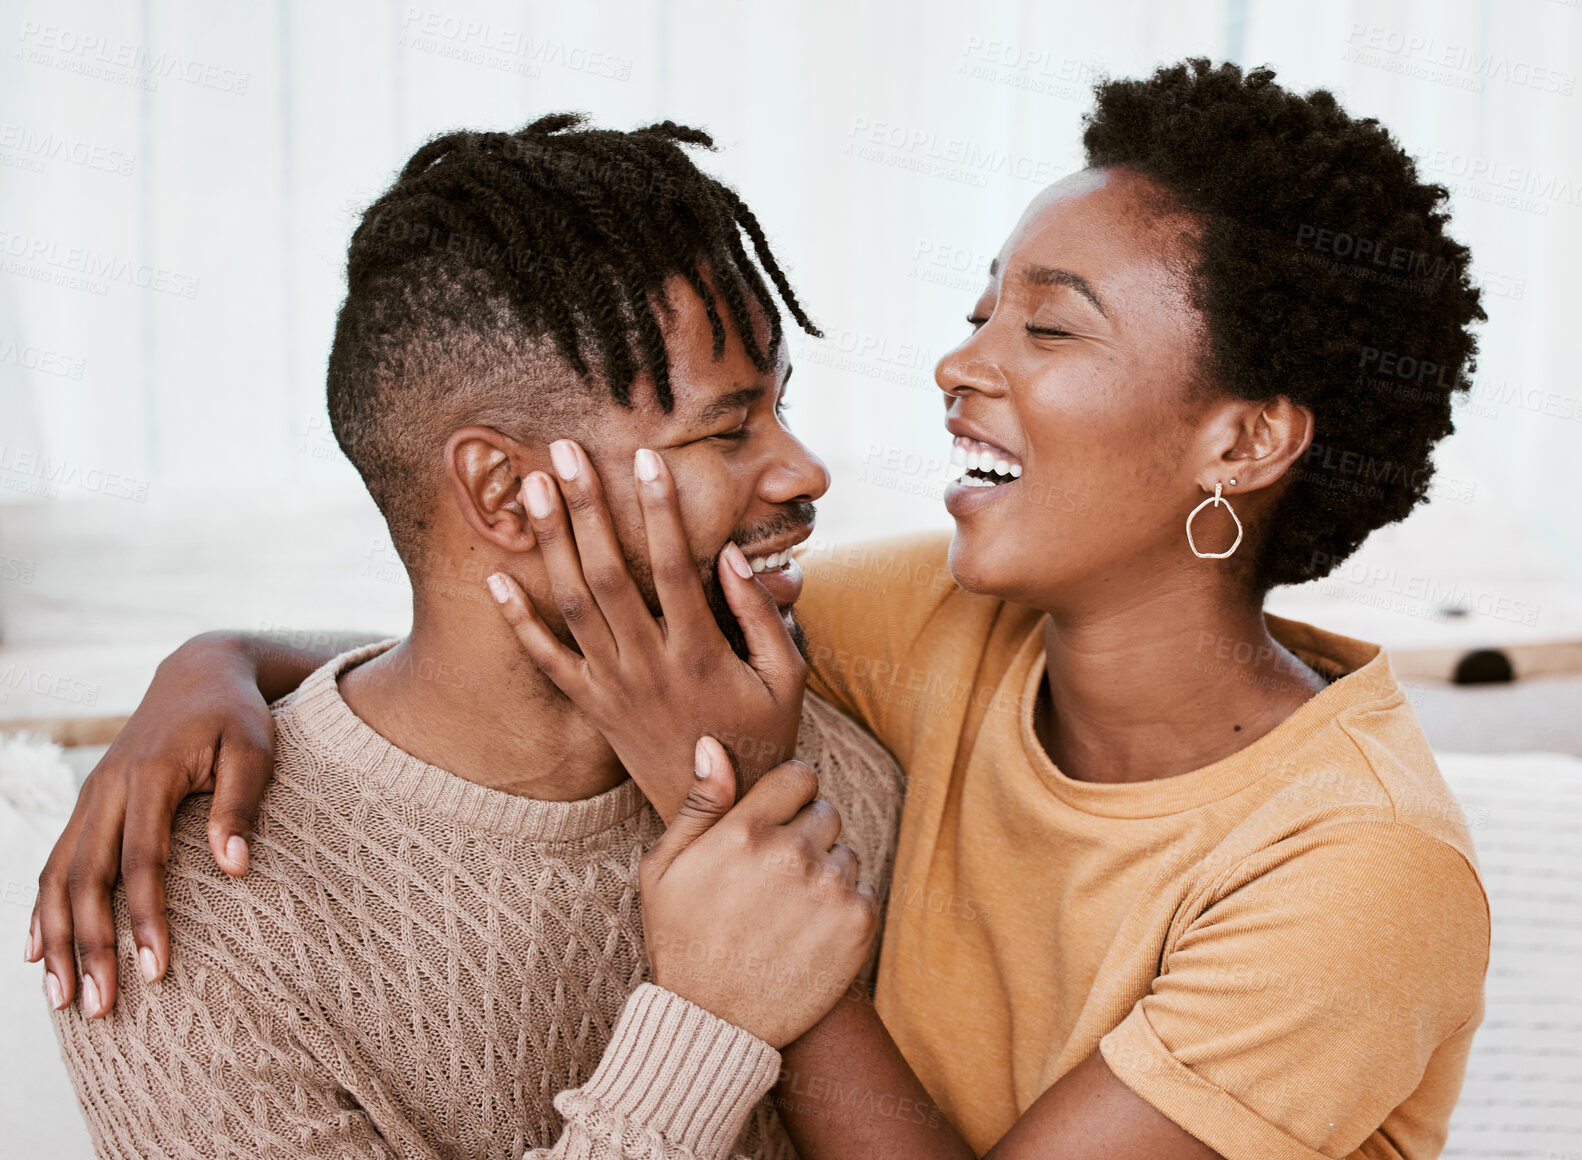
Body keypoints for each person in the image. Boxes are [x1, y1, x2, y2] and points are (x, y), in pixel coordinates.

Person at [36, 60, 1493, 1159]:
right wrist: (213, 667)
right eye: (984, 304)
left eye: (1048, 326)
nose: (952, 368)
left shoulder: (1357, 872)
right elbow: (489, 638)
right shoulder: (919, 631)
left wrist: (740, 899)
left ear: (1244, 442)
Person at [36, 111, 904, 1160]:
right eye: (725, 428)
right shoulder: (183, 918)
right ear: (504, 490)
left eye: (778, 409)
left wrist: (220, 651)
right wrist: (701, 1029)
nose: (803, 471)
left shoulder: (831, 771)